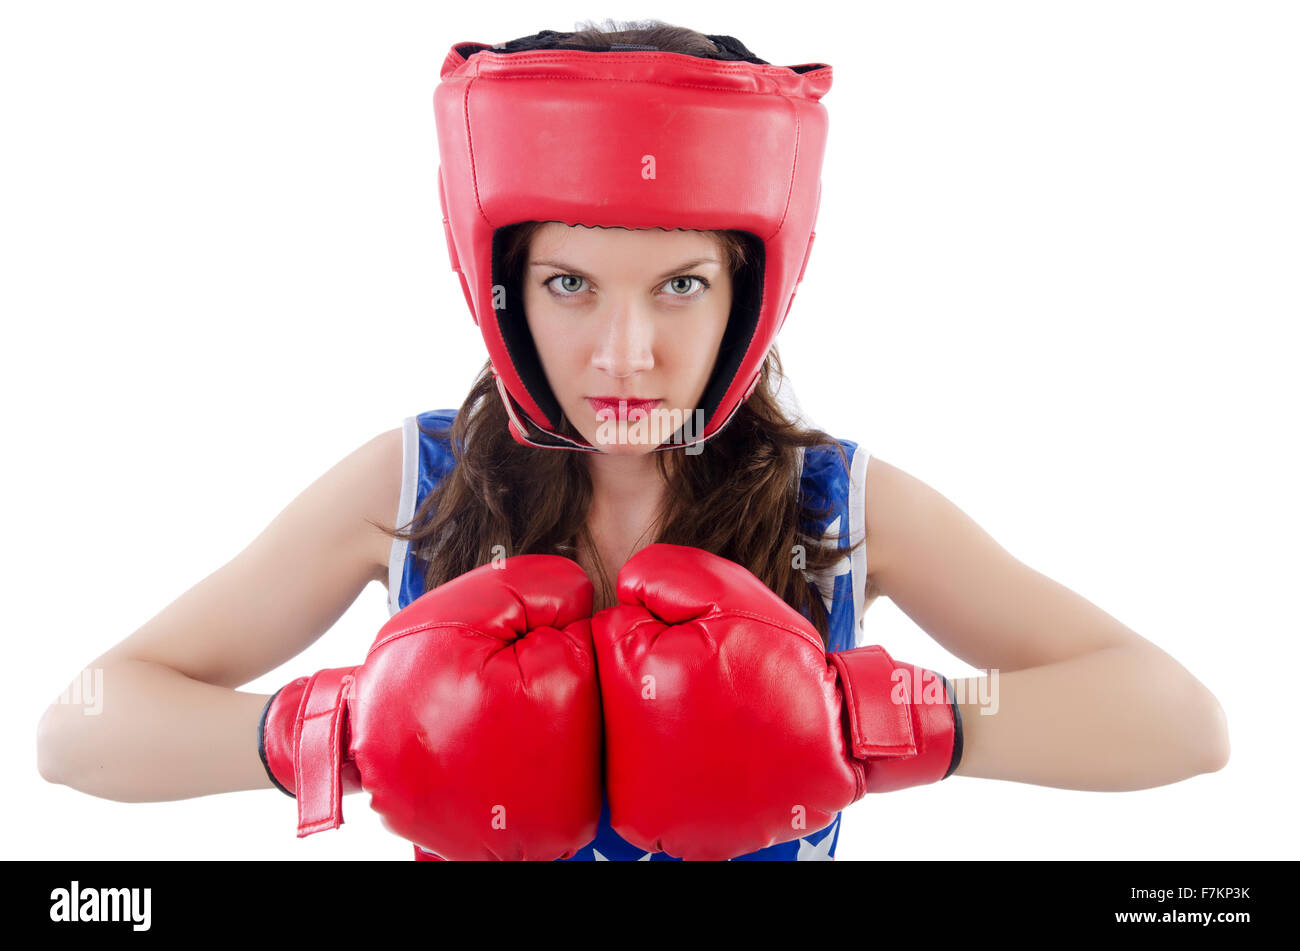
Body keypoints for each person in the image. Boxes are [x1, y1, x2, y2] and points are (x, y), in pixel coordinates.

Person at [35, 19, 1230, 862]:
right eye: (569, 283)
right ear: (505, 288)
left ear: (748, 290)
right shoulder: (414, 480)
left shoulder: (837, 504)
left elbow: (1179, 719)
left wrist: (879, 723)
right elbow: (77, 728)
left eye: (678, 285)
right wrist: (343, 730)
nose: (624, 354)